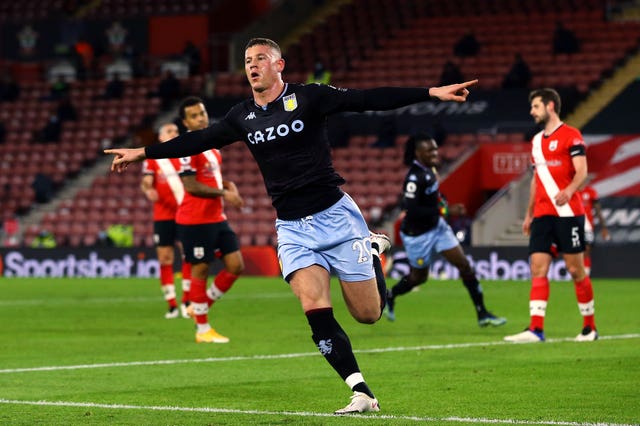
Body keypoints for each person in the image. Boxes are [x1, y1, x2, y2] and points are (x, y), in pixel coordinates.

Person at [105, 37, 478, 414]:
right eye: (248, 60)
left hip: (336, 217)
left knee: (368, 315)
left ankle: (374, 248)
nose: (253, 65)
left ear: (279, 65)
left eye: (261, 58)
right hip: (293, 228)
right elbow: (199, 139)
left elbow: (367, 99)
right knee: (314, 305)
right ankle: (361, 392)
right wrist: (142, 152)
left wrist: (431, 91)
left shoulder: (311, 97)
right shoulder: (241, 116)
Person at [504, 88, 597, 343]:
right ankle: (536, 329)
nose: (532, 111)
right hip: (543, 214)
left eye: (535, 106)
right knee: (538, 268)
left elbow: (582, 171)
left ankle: (590, 328)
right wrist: (528, 213)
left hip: (568, 213)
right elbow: (536, 179)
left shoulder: (572, 136)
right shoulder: (535, 142)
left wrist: (568, 191)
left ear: (550, 106)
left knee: (576, 270)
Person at [385, 133, 506, 327]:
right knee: (418, 278)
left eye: (435, 148)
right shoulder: (413, 178)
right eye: (429, 150)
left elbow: (434, 194)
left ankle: (482, 313)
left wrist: (443, 204)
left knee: (464, 265)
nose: (435, 153)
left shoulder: (431, 170)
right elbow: (413, 210)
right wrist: (446, 210)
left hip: (438, 228)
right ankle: (390, 295)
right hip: (418, 235)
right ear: (418, 153)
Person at [175, 96, 245, 344]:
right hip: (194, 219)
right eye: (194, 116)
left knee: (236, 265)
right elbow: (191, 185)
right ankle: (202, 330)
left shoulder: (212, 145)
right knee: (201, 269)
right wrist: (224, 193)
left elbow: (212, 178)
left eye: (202, 113)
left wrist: (229, 185)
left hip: (216, 217)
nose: (201, 118)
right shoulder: (186, 147)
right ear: (185, 122)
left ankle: (199, 305)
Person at [141, 122, 192, 319]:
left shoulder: (186, 155)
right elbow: (146, 181)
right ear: (161, 137)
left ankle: (187, 301)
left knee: (189, 256)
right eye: (170, 131)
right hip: (163, 216)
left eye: (176, 131)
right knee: (165, 258)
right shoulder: (154, 158)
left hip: (186, 214)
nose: (174, 133)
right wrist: (148, 189)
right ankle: (171, 304)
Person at [579, 179, 610, 276]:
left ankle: (586, 274)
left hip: (587, 226)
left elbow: (598, 211)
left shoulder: (590, 192)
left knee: (587, 249)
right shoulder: (572, 191)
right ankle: (577, 273)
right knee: (575, 251)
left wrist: (604, 227)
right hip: (573, 224)